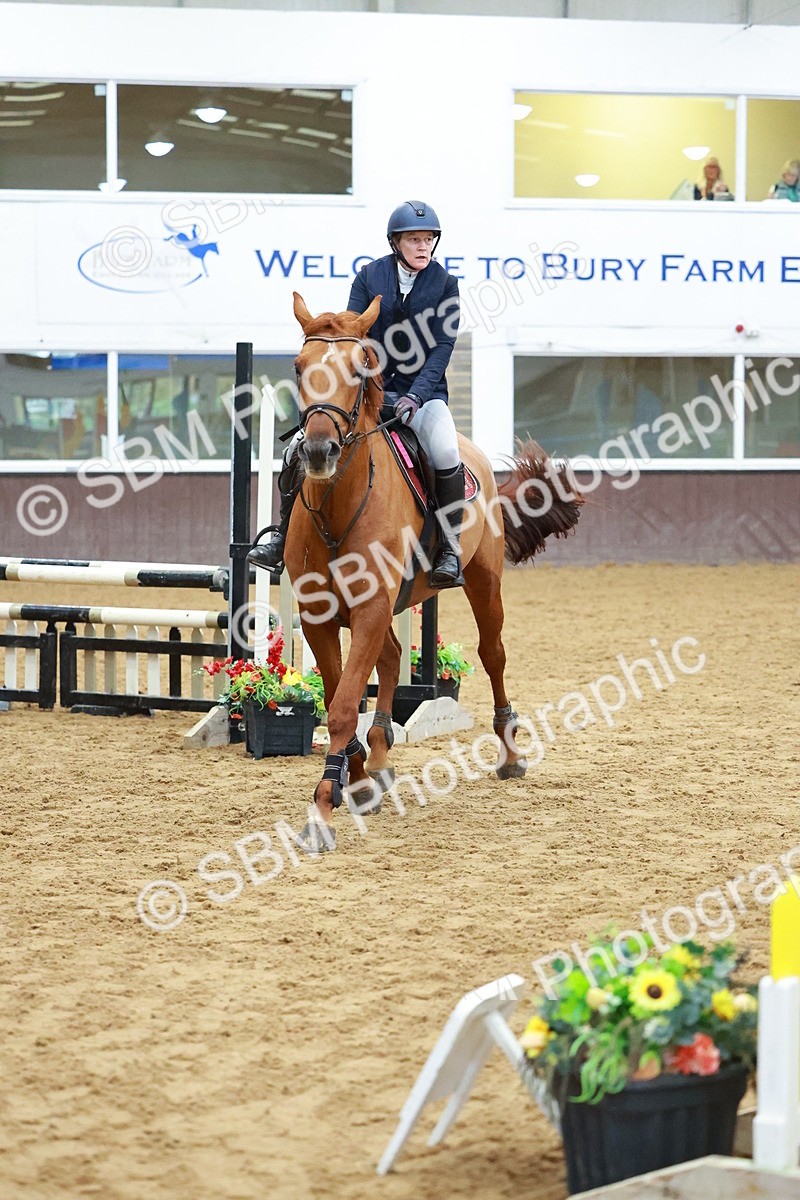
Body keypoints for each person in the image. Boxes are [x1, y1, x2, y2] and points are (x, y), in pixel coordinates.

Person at [248, 200, 465, 587]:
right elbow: (350, 336)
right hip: (369, 396)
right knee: (297, 446)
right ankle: (282, 536)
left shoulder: (445, 285)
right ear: (396, 242)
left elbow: (442, 347)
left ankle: (450, 549)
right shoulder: (369, 277)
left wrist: (416, 396)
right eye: (414, 239)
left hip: (424, 396)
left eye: (429, 239)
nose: (423, 247)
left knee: (447, 450)